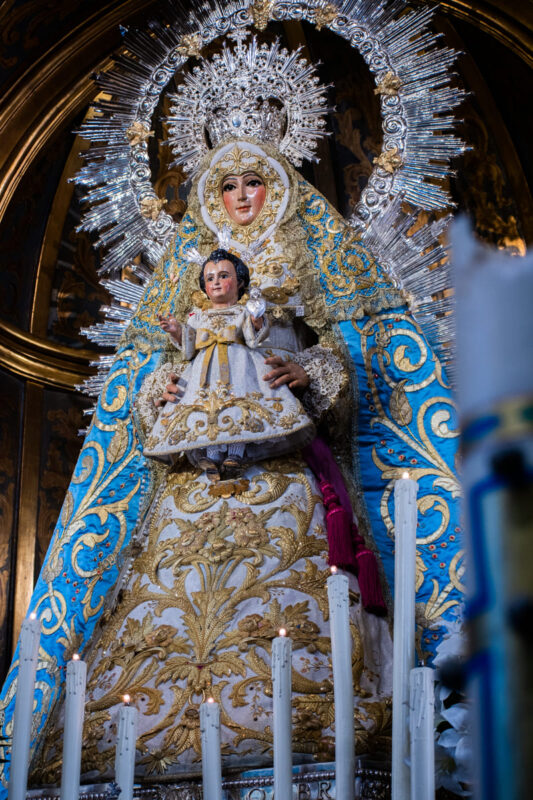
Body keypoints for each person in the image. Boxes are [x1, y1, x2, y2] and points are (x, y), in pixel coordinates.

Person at [0, 35, 463, 792]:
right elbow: (148, 380)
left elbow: (353, 360)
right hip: (188, 486)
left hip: (284, 475)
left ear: (277, 186)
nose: (240, 198)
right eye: (225, 186)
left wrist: (307, 370)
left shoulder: (321, 262)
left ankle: (322, 733)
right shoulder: (187, 281)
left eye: (253, 182)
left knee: (301, 624)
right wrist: (158, 391)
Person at [144, 248, 314, 479]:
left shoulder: (242, 312)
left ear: (240, 282)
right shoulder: (198, 317)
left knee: (237, 407)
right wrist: (176, 330)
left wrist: (256, 319)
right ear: (204, 287)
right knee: (206, 409)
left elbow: (253, 338)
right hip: (204, 372)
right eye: (210, 278)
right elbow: (189, 345)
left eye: (223, 276)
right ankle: (210, 456)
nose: (216, 282)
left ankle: (236, 454)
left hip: (240, 367)